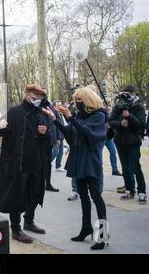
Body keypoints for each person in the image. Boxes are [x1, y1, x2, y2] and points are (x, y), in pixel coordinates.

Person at [43, 86, 109, 250]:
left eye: (79, 100)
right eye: (75, 100)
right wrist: (55, 120)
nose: (76, 103)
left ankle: (103, 235)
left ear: (88, 100)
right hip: (78, 159)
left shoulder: (99, 115)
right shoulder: (80, 115)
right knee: (83, 196)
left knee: (96, 197)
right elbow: (71, 135)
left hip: (91, 160)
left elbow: (91, 136)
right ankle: (86, 228)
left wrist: (71, 118)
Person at [0, 84, 50, 244]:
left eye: (40, 97)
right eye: (35, 97)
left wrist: (45, 132)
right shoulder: (14, 112)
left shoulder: (40, 113)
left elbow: (47, 137)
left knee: (34, 194)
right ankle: (16, 229)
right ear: (27, 95)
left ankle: (29, 221)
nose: (37, 100)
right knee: (16, 197)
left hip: (36, 162)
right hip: (17, 163)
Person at [109, 85, 147, 204]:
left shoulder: (138, 107)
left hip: (133, 141)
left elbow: (141, 125)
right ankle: (130, 190)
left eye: (129, 93)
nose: (126, 96)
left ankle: (142, 192)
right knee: (125, 168)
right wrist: (121, 123)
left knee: (136, 167)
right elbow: (110, 121)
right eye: (125, 93)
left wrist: (129, 116)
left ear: (133, 93)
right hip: (120, 141)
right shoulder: (118, 107)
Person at [42, 89, 59, 192]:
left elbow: (55, 121)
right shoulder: (36, 106)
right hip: (39, 139)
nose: (44, 94)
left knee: (48, 163)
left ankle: (48, 184)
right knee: (38, 162)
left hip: (50, 138)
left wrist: (57, 137)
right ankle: (38, 184)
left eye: (45, 92)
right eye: (42, 93)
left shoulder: (50, 106)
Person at [105, 105, 122, 176]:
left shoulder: (112, 113)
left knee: (113, 152)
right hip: (102, 137)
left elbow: (112, 121)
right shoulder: (101, 112)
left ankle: (114, 170)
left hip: (108, 137)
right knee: (98, 153)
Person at [52, 100, 66, 172]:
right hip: (56, 137)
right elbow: (55, 127)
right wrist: (58, 138)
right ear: (54, 107)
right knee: (55, 151)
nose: (59, 107)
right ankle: (46, 163)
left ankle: (58, 166)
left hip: (61, 137)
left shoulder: (61, 114)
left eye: (60, 105)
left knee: (60, 152)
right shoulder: (54, 114)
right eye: (58, 105)